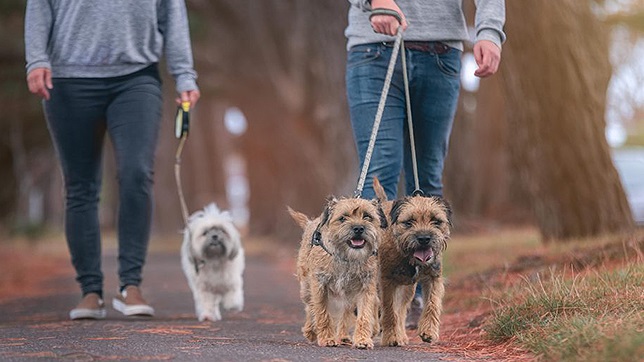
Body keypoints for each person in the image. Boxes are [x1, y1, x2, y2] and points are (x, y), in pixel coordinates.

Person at [24, 0, 200, 320]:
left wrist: (184, 74)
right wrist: (36, 58)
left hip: (136, 77)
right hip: (68, 79)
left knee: (137, 173)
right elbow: (39, 6)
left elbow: (172, 13)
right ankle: (90, 290)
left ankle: (130, 284)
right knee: (80, 186)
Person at [345, 0, 505, 327]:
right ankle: (371, 296)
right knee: (379, 180)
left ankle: (413, 293)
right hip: (374, 50)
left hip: (441, 53)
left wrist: (489, 31)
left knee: (427, 185)